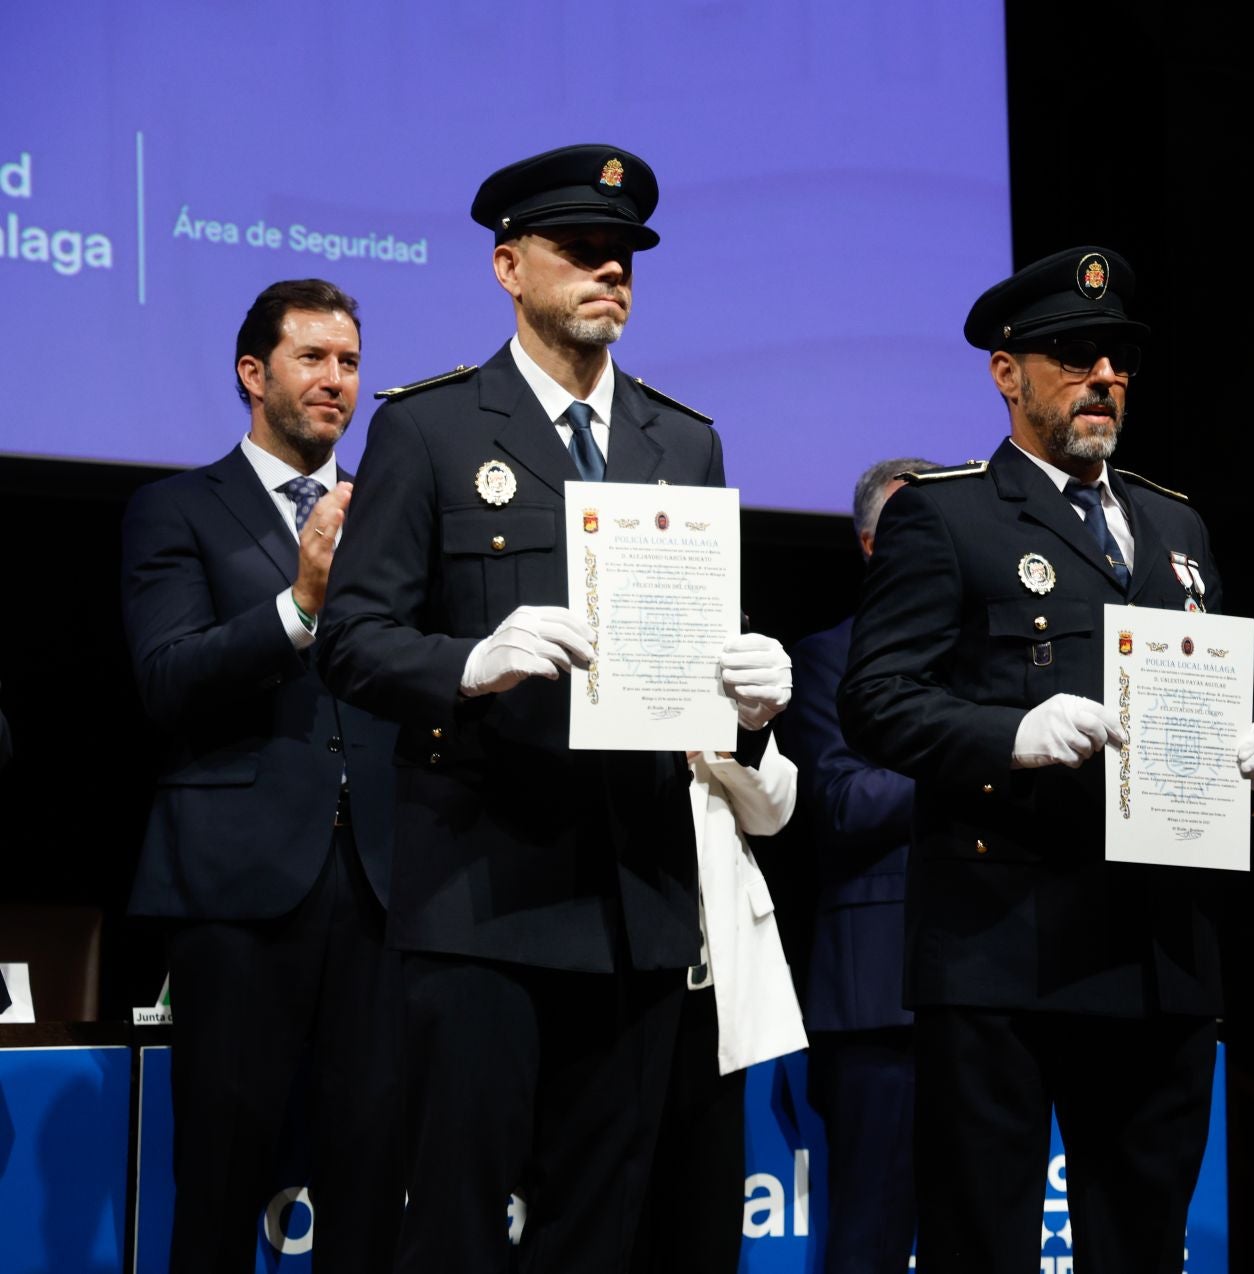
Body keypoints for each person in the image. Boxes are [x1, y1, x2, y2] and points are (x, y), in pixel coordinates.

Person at [313, 144, 792, 1272]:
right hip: (485, 896)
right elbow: (354, 640)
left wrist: (753, 703)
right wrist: (472, 660)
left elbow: (696, 665)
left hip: (640, 901)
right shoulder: (430, 430)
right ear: (507, 266)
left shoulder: (685, 439)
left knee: (602, 1229)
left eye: (622, 256)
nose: (609, 272)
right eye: (581, 251)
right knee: (462, 1228)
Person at [838, 246, 1254, 1274]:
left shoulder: (1177, 524)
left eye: (1118, 359)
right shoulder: (946, 514)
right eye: (1074, 356)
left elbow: (1202, 690)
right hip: (1007, 943)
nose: (1103, 377)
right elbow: (873, 700)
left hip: (1162, 951)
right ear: (1008, 373)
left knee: (1143, 1246)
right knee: (981, 1244)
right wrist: (1009, 735)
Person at [121, 278, 402, 1271]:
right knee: (223, 1187)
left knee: (368, 1186)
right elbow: (166, 677)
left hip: (378, 886)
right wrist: (297, 606)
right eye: (314, 358)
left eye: (352, 362)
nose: (338, 381)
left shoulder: (389, 512)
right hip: (237, 893)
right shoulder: (176, 509)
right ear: (254, 373)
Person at [784, 456, 935, 1273]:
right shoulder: (827, 658)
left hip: (991, 982)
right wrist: (975, 756)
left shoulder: (995, 658)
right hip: (881, 997)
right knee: (871, 1240)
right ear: (873, 545)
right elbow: (841, 804)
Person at [633, 735, 807, 1272]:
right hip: (622, 973)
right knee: (620, 1202)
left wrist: (730, 745)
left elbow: (773, 811)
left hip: (709, 984)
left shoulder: (717, 667)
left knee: (706, 1207)